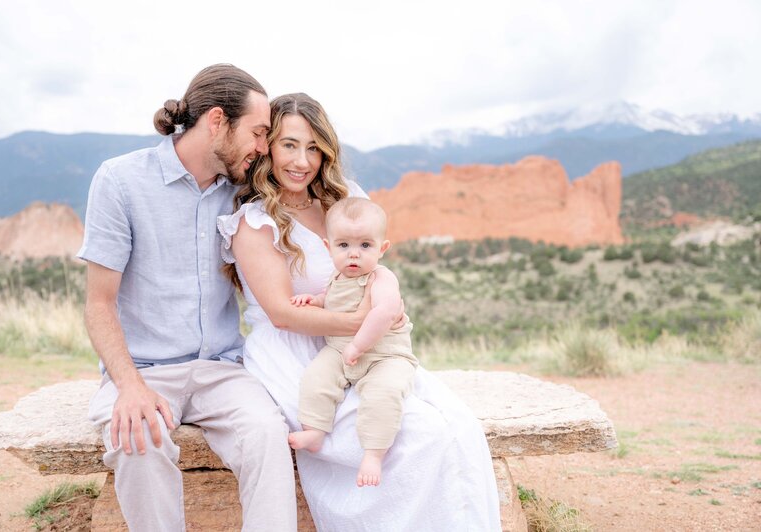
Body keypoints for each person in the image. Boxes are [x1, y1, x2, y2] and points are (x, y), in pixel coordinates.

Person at [218, 92, 501, 531]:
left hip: (367, 346)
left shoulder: (344, 200)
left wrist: (384, 312)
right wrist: (371, 322)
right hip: (295, 354)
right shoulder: (255, 222)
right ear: (268, 146)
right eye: (290, 144)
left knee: (455, 427)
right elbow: (282, 314)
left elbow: (374, 270)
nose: (302, 160)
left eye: (313, 147)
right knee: (414, 437)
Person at [78, 64, 297, 532]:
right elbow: (99, 304)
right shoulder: (120, 181)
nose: (263, 147)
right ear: (217, 121)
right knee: (140, 435)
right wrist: (130, 387)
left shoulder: (246, 190)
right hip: (146, 370)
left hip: (225, 369)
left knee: (266, 432)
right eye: (258, 133)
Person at [288, 197, 418, 488]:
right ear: (328, 247)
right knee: (316, 377)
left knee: (384, 393)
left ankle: (374, 452)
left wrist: (358, 346)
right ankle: (315, 429)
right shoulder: (336, 277)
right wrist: (315, 301)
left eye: (365, 246)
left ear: (382, 248)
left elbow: (384, 312)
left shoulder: (382, 277)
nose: (353, 255)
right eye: (344, 245)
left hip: (385, 357)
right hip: (340, 351)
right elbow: (333, 300)